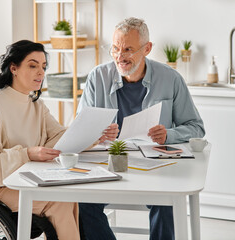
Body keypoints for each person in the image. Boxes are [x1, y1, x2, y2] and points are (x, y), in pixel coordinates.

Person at [0, 40, 117, 240]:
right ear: (14, 68)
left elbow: (59, 137)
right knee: (58, 201)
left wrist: (96, 134)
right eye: (33, 65)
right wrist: (27, 154)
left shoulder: (36, 105)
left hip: (21, 180)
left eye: (43, 67)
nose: (41, 73)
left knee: (68, 198)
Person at [77, 18, 205, 240]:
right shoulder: (97, 77)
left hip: (155, 166)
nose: (120, 56)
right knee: (81, 204)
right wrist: (97, 134)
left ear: (147, 48)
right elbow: (79, 129)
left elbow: (196, 128)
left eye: (128, 49)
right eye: (115, 48)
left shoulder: (171, 78)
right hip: (108, 165)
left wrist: (169, 134)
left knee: (167, 202)